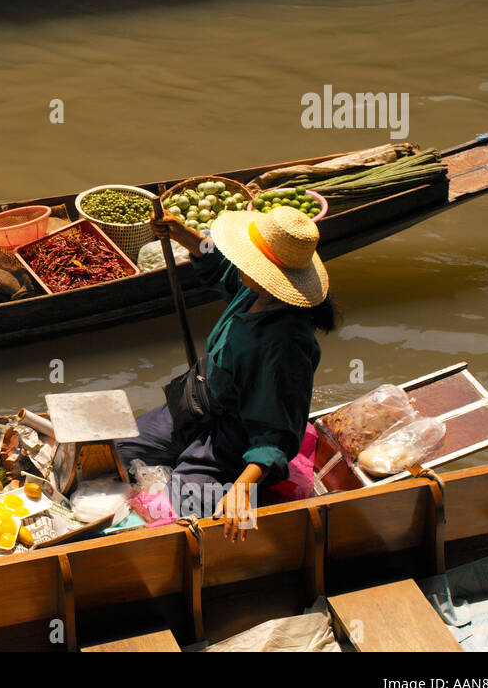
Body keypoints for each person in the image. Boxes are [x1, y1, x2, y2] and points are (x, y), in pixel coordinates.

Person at [118, 204, 340, 541]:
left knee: (182, 523)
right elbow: (219, 264)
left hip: (232, 442)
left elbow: (277, 433)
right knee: (119, 453)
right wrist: (184, 235)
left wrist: (241, 487)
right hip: (197, 404)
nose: (238, 262)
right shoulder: (255, 290)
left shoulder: (286, 346)